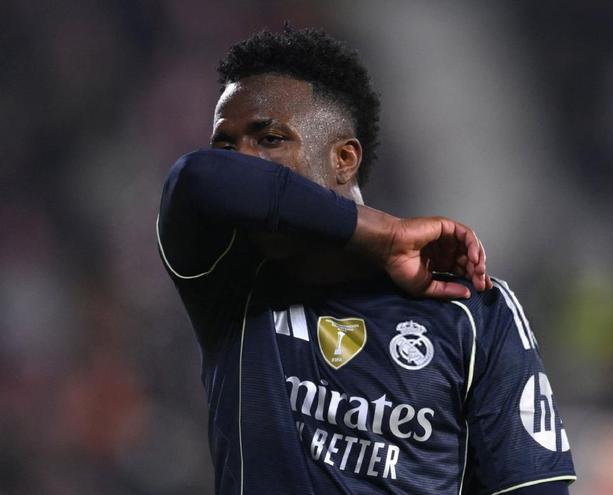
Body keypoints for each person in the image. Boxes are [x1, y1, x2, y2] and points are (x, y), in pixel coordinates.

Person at [157, 26, 575, 495]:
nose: (241, 162)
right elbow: (195, 178)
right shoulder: (225, 274)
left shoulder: (471, 310)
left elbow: (534, 488)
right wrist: (385, 234)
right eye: (227, 148)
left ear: (344, 158)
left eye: (269, 139)